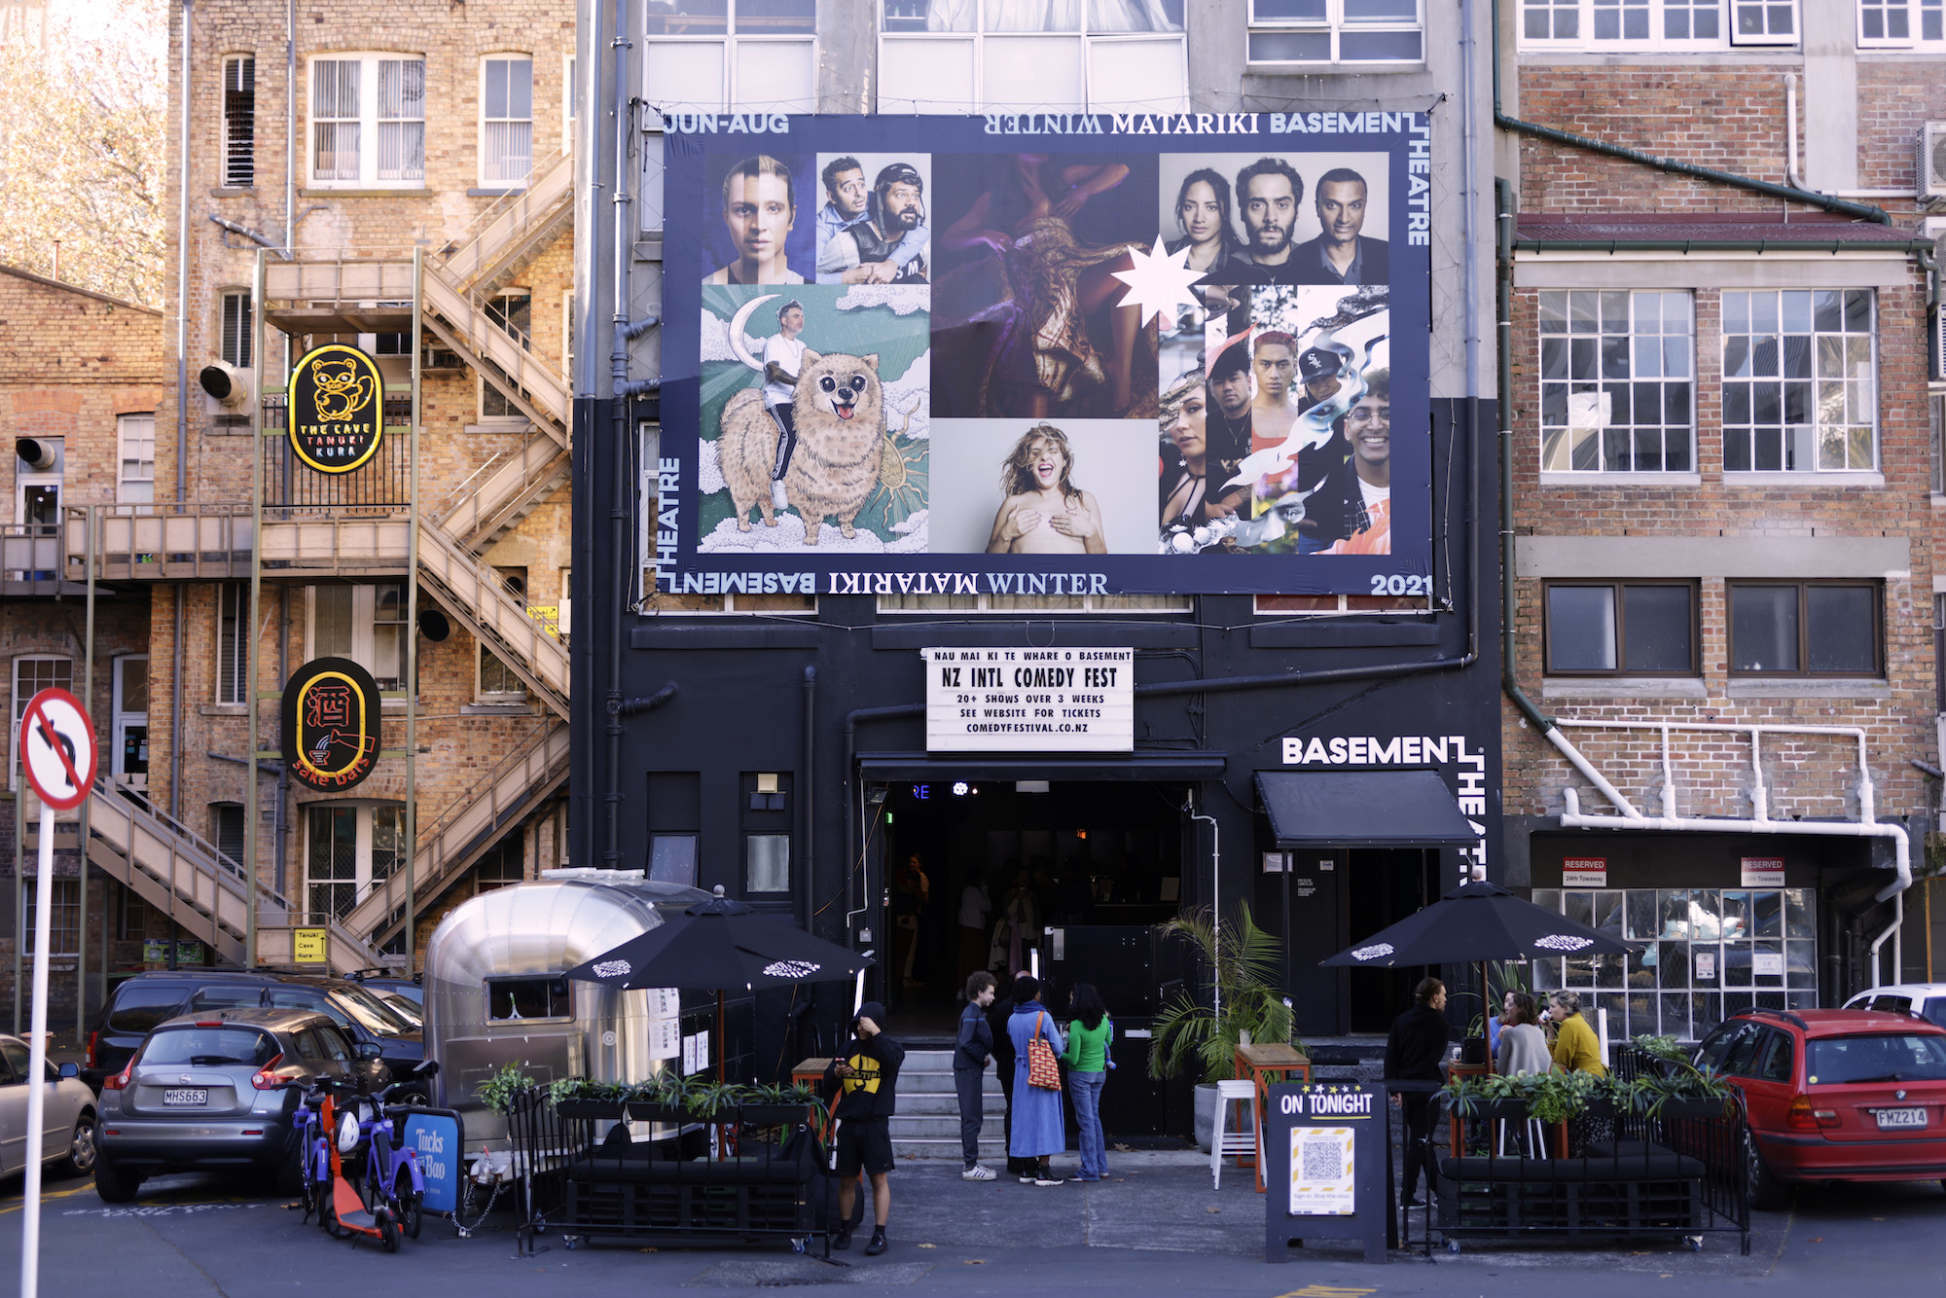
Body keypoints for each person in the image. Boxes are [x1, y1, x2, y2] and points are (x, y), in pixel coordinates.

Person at [825, 1001, 906, 1255]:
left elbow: (893, 1061)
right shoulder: (848, 1048)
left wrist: (876, 1033)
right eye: (858, 1024)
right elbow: (827, 1082)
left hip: (875, 1123)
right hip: (849, 1122)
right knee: (846, 1180)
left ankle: (880, 1233)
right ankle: (845, 1228)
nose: (860, 1028)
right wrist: (837, 1073)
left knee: (878, 1179)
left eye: (865, 1024)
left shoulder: (889, 1047)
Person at [1305, 370, 1393, 556]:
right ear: (1346, 429)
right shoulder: (1323, 504)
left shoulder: (1423, 487)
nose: (1375, 425)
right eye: (1362, 414)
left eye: (1387, 414)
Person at [986, 424, 1107, 555]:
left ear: (1064, 461)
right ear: (1028, 464)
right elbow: (988, 562)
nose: (1044, 457)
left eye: (1052, 451)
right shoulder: (1013, 504)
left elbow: (1104, 562)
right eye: (1035, 453)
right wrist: (1006, 534)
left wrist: (1090, 532)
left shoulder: (1084, 501)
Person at [1384, 975, 1450, 1211]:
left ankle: (1436, 1190)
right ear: (1434, 997)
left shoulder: (1401, 1020)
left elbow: (1391, 1056)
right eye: (1443, 995)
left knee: (1421, 1139)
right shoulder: (1440, 1024)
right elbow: (1434, 1057)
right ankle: (1411, 1194)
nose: (1445, 999)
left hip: (1407, 1087)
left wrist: (1396, 1087)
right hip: (1428, 1088)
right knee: (1420, 1141)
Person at [1159, 375, 1246, 533]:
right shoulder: (1168, 465)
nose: (1180, 425)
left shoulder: (1233, 479)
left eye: (1193, 408)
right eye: (1172, 414)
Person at [820, 161, 930, 285]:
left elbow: (922, 268)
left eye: (915, 195)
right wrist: (848, 278)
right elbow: (809, 281)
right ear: (881, 199)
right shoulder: (847, 243)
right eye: (901, 195)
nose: (911, 202)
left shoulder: (921, 241)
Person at [1006, 974, 1068, 1185]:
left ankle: (1027, 1168)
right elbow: (1058, 1048)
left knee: (1025, 1119)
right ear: (1034, 994)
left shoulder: (1012, 1018)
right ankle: (1044, 1169)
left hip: (1021, 1073)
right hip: (1041, 1072)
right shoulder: (1043, 1016)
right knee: (1045, 1119)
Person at [705, 155, 803, 286]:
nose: (758, 226)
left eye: (773, 209)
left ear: (791, 218)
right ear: (726, 218)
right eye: (743, 210)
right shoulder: (703, 292)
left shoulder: (817, 295)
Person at [1290, 167, 1390, 286]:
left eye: (1355, 205)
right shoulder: (1292, 262)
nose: (1344, 219)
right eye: (1332, 205)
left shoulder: (1390, 255)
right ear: (1318, 208)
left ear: (1364, 207)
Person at [1061, 982, 1113, 1182]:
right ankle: (1101, 1167)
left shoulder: (1075, 1025)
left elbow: (1073, 1059)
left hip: (1080, 1075)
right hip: (1099, 1073)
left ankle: (1089, 1169)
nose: (1070, 1002)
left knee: (1085, 1121)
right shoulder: (1103, 1020)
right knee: (1094, 1118)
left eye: (1071, 998)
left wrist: (1059, 1052)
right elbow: (1109, 1041)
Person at [760, 299, 807, 510]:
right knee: (791, 432)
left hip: (799, 400)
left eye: (802, 316)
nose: (800, 319)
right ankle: (777, 480)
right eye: (796, 316)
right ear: (783, 320)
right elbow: (773, 371)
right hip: (779, 398)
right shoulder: (773, 343)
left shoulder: (802, 347)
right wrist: (797, 382)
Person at [955, 971, 999, 1181]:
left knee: (973, 1116)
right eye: (990, 992)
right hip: (969, 1069)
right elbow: (965, 1041)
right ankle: (970, 1166)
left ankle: (971, 1163)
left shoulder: (973, 1011)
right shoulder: (972, 1012)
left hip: (969, 1068)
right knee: (972, 1117)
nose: (993, 997)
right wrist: (981, 1056)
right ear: (980, 992)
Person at [1232, 157, 1304, 284]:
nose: (1270, 218)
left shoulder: (1322, 274)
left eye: (1282, 205)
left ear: (1296, 212)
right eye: (1257, 205)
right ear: (1242, 213)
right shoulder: (1221, 273)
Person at [987, 971, 1031, 1178]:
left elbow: (992, 1040)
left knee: (1013, 1110)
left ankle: (1015, 1157)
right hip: (1017, 1066)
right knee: (1019, 1111)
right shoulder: (1014, 1010)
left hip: (1008, 1065)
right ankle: (1021, 1157)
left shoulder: (1003, 1009)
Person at [1165, 168, 1241, 281]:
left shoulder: (1244, 261)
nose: (1199, 218)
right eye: (1189, 207)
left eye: (1211, 208)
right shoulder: (1165, 253)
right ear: (1181, 211)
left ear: (1225, 212)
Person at [1247, 332, 1300, 451]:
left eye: (1282, 365)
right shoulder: (1239, 418)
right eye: (1265, 364)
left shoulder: (1304, 418)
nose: (1274, 375)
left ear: (1295, 366)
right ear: (1253, 365)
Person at [1205, 336, 1254, 464]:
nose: (1227, 387)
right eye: (1219, 382)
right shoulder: (1206, 428)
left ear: (1249, 381)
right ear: (1211, 389)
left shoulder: (1270, 420)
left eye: (1233, 379)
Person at [890, 854, 930, 991]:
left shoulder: (919, 878)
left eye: (914, 862)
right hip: (904, 916)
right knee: (904, 949)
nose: (911, 865)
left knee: (909, 949)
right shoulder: (905, 877)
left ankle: (905, 977)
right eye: (910, 862)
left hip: (910, 916)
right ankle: (903, 977)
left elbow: (923, 898)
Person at [815, 155, 871, 248]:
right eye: (848, 188)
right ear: (832, 197)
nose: (859, 193)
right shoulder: (820, 228)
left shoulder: (875, 201)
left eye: (861, 184)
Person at [1548, 990, 1606, 1076]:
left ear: (1566, 1008)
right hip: (1595, 1076)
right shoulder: (1578, 1020)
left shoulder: (1569, 1024)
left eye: (1553, 1006)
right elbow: (1559, 1056)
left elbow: (1560, 1063)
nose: (1549, 1010)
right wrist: (1549, 1029)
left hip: (1586, 1079)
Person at [1495, 992, 1550, 1077]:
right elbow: (1546, 1060)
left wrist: (1501, 1041)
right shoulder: (1539, 1032)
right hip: (1537, 1082)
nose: (1507, 1008)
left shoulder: (1510, 1034)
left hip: (1515, 1083)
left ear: (1520, 1009)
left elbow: (1501, 1067)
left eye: (1511, 1005)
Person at [957, 871, 991, 982]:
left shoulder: (966, 890)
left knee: (966, 958)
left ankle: (964, 984)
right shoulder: (975, 891)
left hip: (966, 926)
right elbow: (987, 907)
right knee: (974, 958)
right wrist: (985, 891)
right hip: (975, 928)